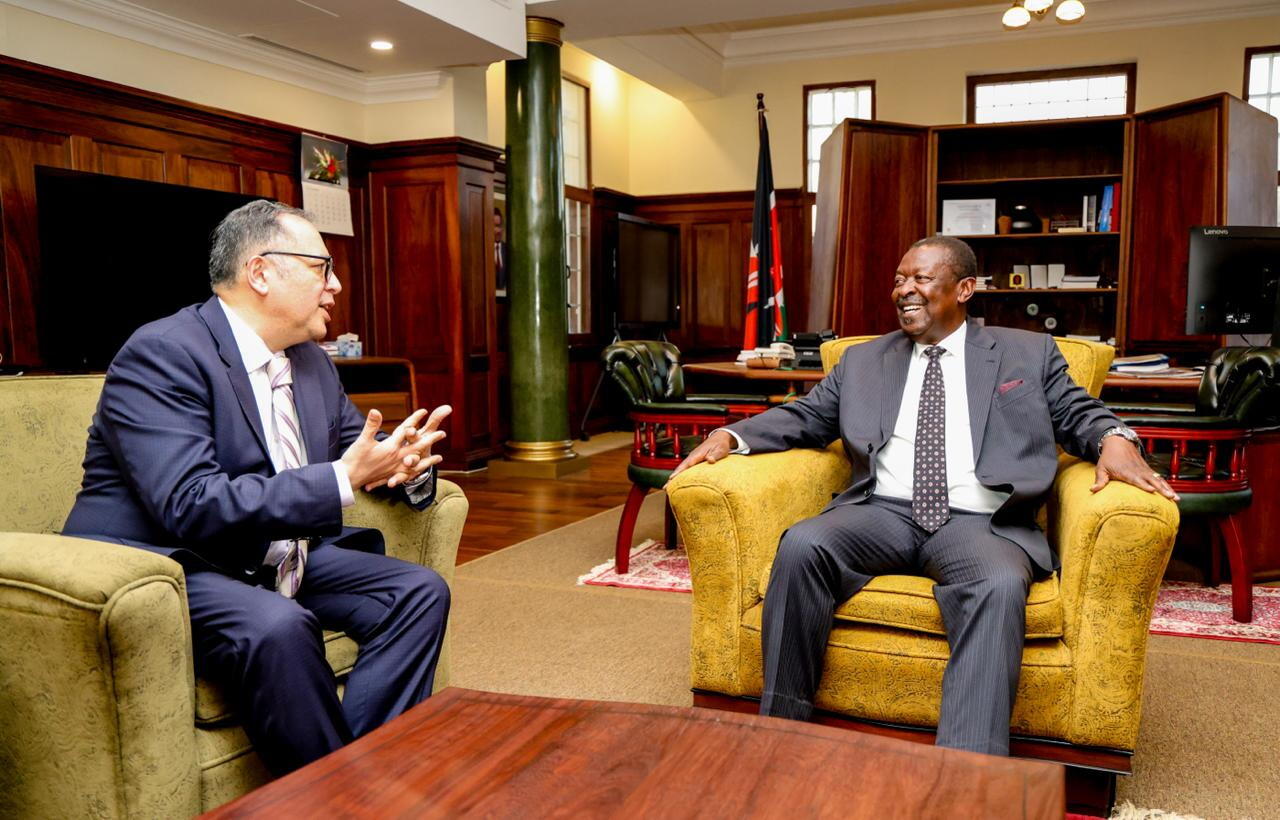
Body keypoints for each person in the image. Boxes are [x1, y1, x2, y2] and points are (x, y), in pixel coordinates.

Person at [670, 236, 1177, 756]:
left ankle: (965, 767)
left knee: (999, 583)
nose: (904, 290)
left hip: (978, 521)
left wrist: (1115, 438)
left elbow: (1076, 412)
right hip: (882, 513)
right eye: (899, 279)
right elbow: (807, 416)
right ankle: (781, 734)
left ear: (964, 289)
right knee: (802, 545)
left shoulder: (1026, 353)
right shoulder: (864, 360)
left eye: (921, 278)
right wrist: (730, 436)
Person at [63, 199, 453, 774]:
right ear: (261, 273)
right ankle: (344, 800)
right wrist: (346, 476)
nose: (335, 286)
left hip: (265, 554)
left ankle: (357, 777)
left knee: (418, 592)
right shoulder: (164, 353)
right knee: (278, 626)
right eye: (322, 268)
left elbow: (361, 450)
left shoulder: (311, 362)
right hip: (168, 565)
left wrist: (407, 465)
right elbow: (190, 503)